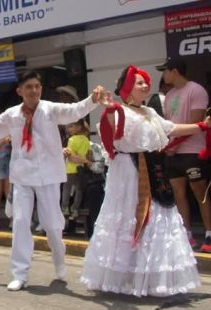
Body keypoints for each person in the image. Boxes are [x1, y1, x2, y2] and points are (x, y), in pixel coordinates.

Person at [0, 71, 106, 291]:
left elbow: (75, 110)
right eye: (29, 87)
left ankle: (59, 262)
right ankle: (19, 274)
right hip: (22, 176)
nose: (34, 90)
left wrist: (93, 100)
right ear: (19, 91)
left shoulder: (50, 109)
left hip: (48, 176)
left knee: (52, 225)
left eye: (37, 86)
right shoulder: (12, 115)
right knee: (21, 222)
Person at [81, 65, 207, 296]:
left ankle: (151, 277)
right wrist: (109, 111)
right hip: (129, 174)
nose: (145, 86)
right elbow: (110, 138)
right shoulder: (119, 111)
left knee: (158, 219)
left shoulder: (149, 112)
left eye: (145, 82)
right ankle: (125, 276)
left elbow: (172, 129)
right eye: (139, 83)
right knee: (129, 219)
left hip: (153, 169)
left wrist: (201, 126)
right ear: (128, 89)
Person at [157, 58, 211, 252]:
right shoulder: (169, 95)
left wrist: (175, 142)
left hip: (193, 151)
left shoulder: (196, 90)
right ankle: (186, 234)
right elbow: (168, 125)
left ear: (175, 71)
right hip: (173, 154)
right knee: (179, 195)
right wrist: (168, 145)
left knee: (200, 194)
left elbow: (198, 124)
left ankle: (209, 234)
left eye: (165, 71)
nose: (163, 75)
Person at [62, 119, 90, 221]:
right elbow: (88, 154)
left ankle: (65, 207)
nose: (69, 129)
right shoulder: (86, 140)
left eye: (72, 126)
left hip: (70, 169)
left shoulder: (72, 140)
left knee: (67, 188)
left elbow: (69, 153)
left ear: (79, 127)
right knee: (79, 189)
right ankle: (75, 208)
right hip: (80, 168)